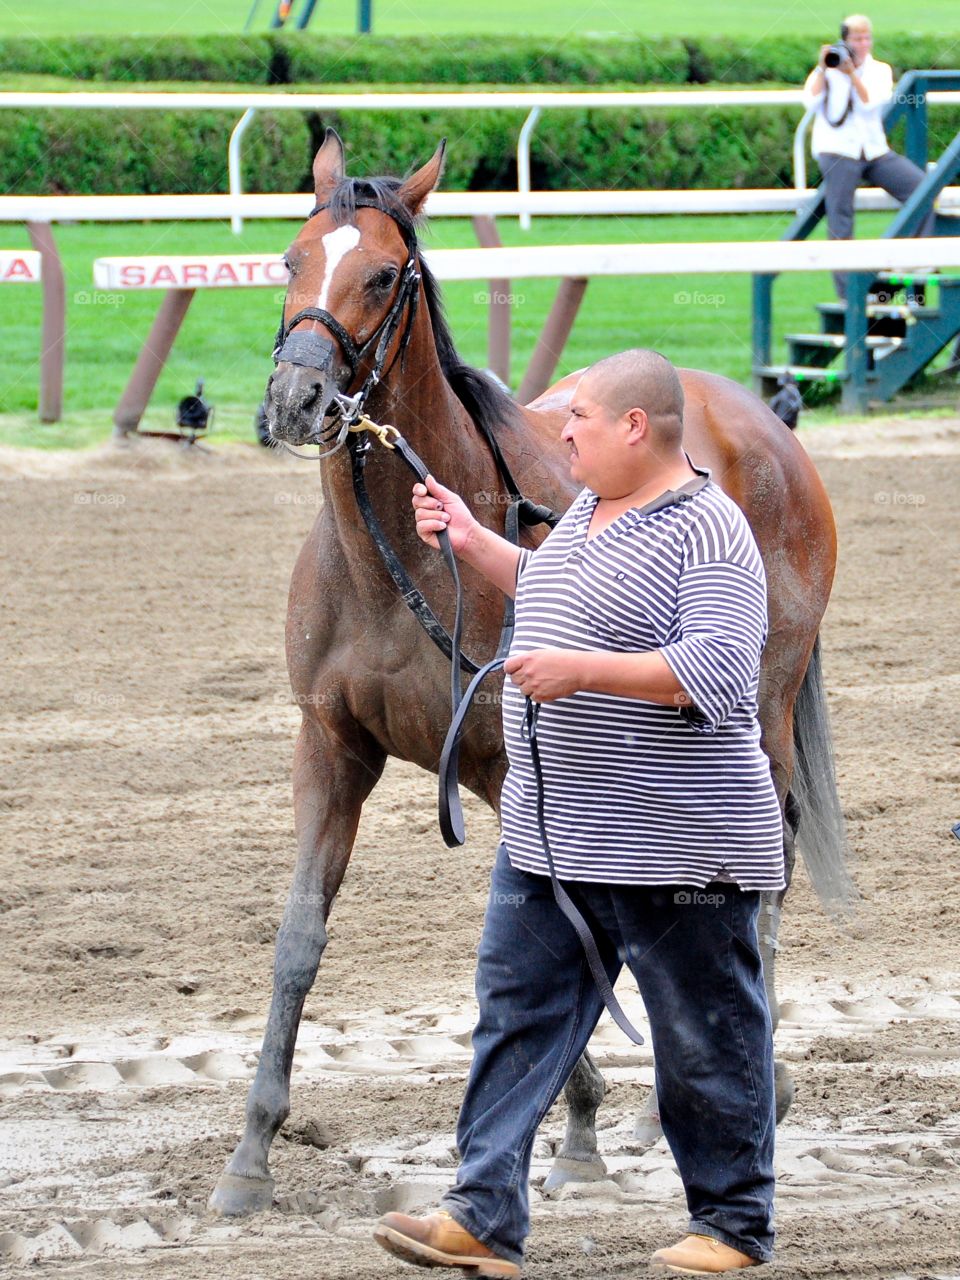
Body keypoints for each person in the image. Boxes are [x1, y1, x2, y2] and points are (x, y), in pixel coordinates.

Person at [372, 348, 785, 1277]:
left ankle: (732, 1228)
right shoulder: (593, 514)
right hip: (550, 836)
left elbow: (718, 676)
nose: (561, 434)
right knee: (514, 1017)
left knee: (703, 1035)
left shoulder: (710, 531)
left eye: (580, 420)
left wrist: (578, 672)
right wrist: (476, 546)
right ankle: (481, 1217)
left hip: (678, 848)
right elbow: (563, 593)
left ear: (636, 427)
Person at [803, 13, 935, 300]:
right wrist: (825, 69)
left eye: (867, 38)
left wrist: (852, 75)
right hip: (837, 149)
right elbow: (810, 102)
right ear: (845, 40)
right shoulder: (830, 66)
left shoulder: (879, 70)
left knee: (923, 190)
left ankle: (910, 262)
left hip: (874, 150)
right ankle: (848, 297)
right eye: (857, 39)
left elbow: (870, 106)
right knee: (841, 217)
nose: (863, 44)